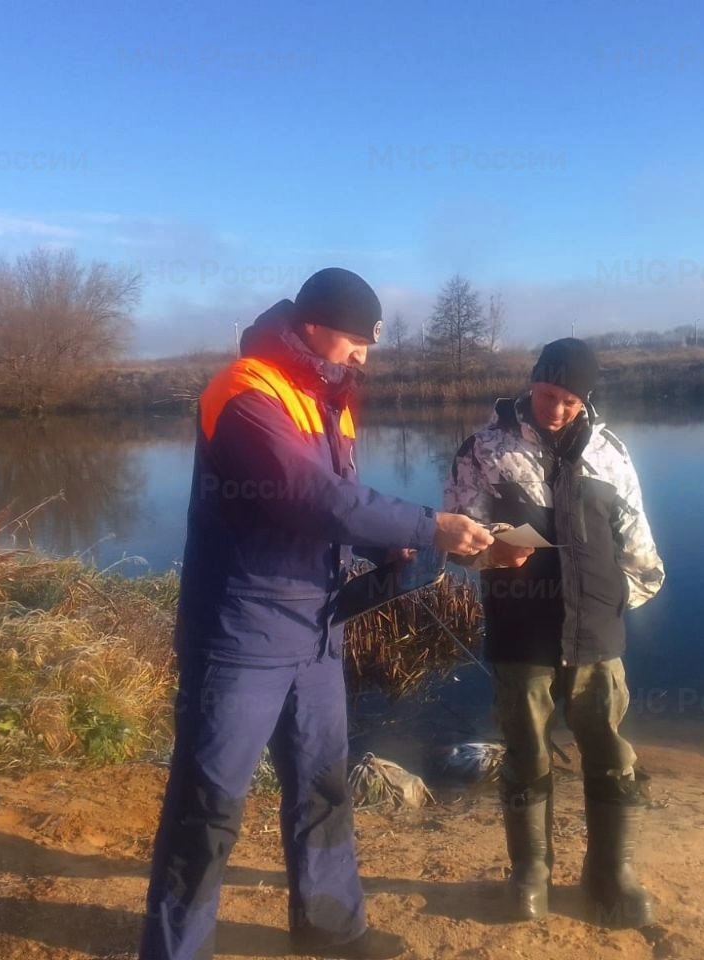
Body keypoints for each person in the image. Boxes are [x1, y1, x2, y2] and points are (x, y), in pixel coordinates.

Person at [140, 268, 494, 960]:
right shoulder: (242, 392)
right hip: (240, 637)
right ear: (313, 325)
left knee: (325, 789)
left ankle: (331, 929)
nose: (365, 354)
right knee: (206, 808)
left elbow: (341, 503)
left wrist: (399, 542)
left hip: (317, 634)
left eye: (371, 342)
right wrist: (430, 524)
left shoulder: (331, 400)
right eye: (358, 338)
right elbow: (310, 497)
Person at [443, 338, 665, 928]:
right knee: (525, 749)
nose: (557, 409)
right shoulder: (483, 449)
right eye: (547, 394)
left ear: (585, 397)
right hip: (522, 634)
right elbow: (457, 541)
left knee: (610, 750)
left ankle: (611, 874)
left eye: (570, 399)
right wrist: (488, 558)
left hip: (596, 635)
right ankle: (531, 872)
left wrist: (617, 603)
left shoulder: (611, 453)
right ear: (531, 384)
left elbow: (640, 547)